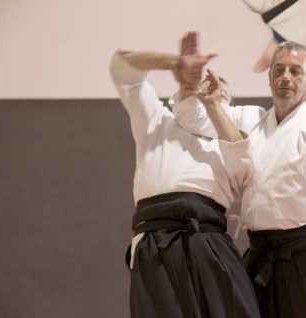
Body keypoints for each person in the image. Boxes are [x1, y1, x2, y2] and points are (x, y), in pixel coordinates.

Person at [173, 40, 306, 317]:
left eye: (295, 71)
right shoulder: (251, 119)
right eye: (279, 70)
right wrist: (189, 82)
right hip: (262, 250)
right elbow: (194, 117)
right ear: (270, 78)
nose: (286, 77)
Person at [109, 32, 261, 318]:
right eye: (204, 79)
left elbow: (244, 169)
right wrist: (171, 62)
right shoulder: (156, 119)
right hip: (154, 240)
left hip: (207, 238)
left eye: (221, 88)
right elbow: (122, 69)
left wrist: (214, 105)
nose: (210, 86)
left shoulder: (232, 136)